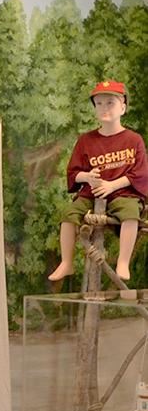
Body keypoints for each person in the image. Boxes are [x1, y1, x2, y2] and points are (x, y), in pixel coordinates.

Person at [48, 80, 148, 283]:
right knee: (68, 214)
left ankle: (123, 262)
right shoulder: (86, 140)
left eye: (110, 102)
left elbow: (140, 173)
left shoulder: (133, 139)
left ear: (123, 107)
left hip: (122, 193)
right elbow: (73, 172)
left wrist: (112, 185)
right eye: (99, 103)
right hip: (91, 193)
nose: (104, 108)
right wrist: (87, 177)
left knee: (130, 213)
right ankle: (66, 262)